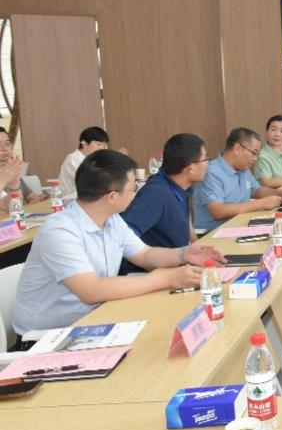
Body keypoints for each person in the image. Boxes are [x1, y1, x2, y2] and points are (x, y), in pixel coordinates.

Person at [11, 150, 224, 335]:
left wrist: (183, 254)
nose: (135, 194)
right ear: (112, 196)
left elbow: (144, 255)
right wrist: (169, 278)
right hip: (49, 337)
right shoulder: (60, 231)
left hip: (97, 318)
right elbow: (91, 290)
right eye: (132, 188)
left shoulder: (111, 219)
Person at [119, 133, 210, 275]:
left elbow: (187, 226)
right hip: (146, 274)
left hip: (175, 266)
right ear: (191, 168)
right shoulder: (156, 193)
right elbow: (124, 234)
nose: (207, 163)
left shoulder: (181, 186)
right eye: (205, 159)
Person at [193, 127, 282, 232]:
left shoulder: (243, 168)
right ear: (237, 149)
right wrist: (260, 204)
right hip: (214, 233)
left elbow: (256, 190)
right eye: (254, 153)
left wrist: (280, 193)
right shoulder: (211, 172)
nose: (255, 159)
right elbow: (218, 212)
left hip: (241, 225)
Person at [57, 126, 126, 201]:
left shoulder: (93, 158)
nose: (102, 148)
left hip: (89, 199)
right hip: (73, 201)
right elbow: (96, 181)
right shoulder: (73, 159)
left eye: (104, 145)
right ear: (84, 144)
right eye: (98, 144)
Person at [0, 126, 44, 208]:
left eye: (7, 144)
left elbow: (32, 197)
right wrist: (3, 180)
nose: (4, 148)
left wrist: (14, 187)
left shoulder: (12, 171)